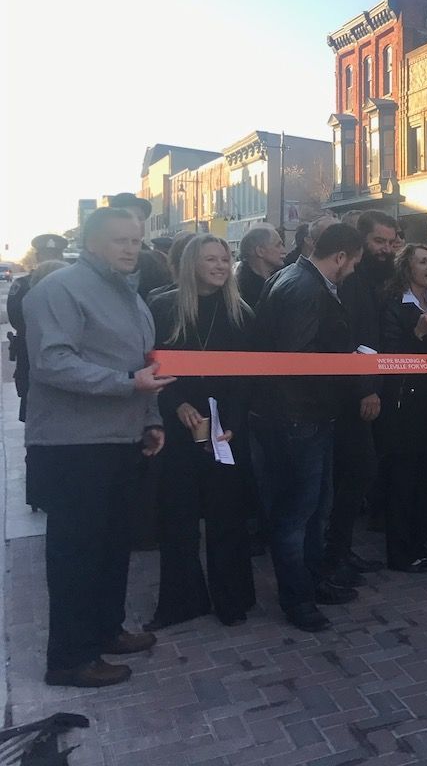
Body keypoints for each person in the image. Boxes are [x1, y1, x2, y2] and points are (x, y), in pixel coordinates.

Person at [23, 207, 174, 687]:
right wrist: (127, 385)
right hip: (74, 445)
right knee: (76, 554)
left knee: (112, 547)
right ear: (91, 243)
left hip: (120, 440)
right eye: (119, 240)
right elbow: (52, 362)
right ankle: (70, 658)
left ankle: (107, 631)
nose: (131, 248)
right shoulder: (60, 289)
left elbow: (144, 364)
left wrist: (149, 419)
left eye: (135, 240)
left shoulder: (129, 294)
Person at [251, 222, 365, 632]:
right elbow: (296, 359)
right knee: (297, 512)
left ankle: (313, 582)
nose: (353, 271)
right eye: (353, 263)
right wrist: (348, 363)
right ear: (340, 257)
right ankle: (298, 598)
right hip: (299, 415)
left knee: (313, 508)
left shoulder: (293, 278)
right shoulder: (304, 288)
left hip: (306, 413)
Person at [145, 234, 256, 630]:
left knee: (228, 516)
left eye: (225, 259)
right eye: (211, 259)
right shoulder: (163, 307)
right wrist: (176, 404)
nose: (220, 266)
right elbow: (152, 365)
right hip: (179, 426)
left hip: (224, 428)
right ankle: (181, 601)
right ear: (192, 263)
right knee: (178, 518)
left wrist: (233, 423)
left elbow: (247, 377)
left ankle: (232, 599)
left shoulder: (241, 312)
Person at [328, 210, 397, 582]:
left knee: (358, 474)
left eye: (390, 242)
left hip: (369, 387)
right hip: (351, 394)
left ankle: (340, 550)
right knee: (354, 472)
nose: (386, 249)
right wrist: (366, 389)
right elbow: (353, 339)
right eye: (378, 241)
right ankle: (333, 554)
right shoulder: (352, 281)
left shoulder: (378, 279)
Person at [379, 243, 427, 573]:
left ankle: (419, 543)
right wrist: (417, 334)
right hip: (404, 406)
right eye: (422, 262)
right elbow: (390, 356)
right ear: (406, 268)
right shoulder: (394, 305)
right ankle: (400, 552)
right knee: (402, 481)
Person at [7, 233, 68, 424]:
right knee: (32, 407)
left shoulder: (73, 284)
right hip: (30, 352)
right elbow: (16, 318)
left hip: (66, 354)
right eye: (46, 255)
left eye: (54, 255)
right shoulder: (23, 284)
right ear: (38, 257)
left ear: (61, 256)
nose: (50, 259)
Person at [236, 225, 286, 309]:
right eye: (278, 245)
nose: (284, 251)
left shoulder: (281, 279)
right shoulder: (242, 290)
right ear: (260, 251)